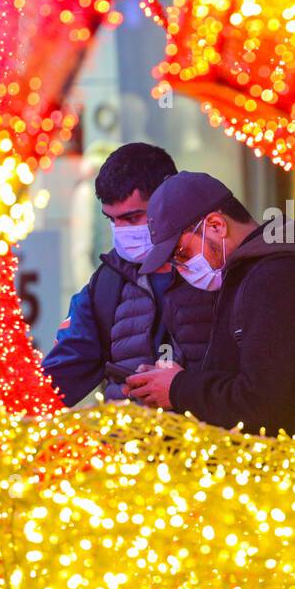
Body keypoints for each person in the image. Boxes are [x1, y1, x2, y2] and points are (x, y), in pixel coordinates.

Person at [123, 171, 295, 435]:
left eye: (182, 253)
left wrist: (178, 388)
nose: (181, 268)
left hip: (286, 467)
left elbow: (264, 406)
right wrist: (171, 383)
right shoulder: (250, 274)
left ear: (216, 225)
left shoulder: (276, 277)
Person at [41, 144, 217, 406]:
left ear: (168, 201)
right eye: (112, 220)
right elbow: (56, 378)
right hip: (126, 442)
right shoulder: (107, 283)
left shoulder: (217, 269)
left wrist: (184, 389)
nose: (121, 231)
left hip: (214, 441)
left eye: (133, 218)